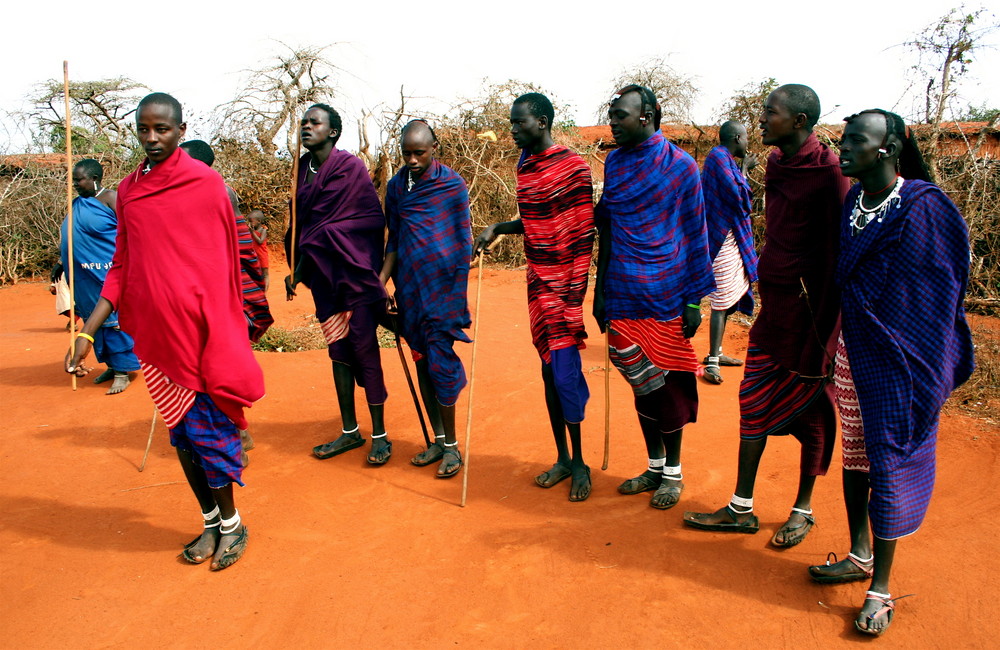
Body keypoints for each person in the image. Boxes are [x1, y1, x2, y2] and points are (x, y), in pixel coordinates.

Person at [66, 93, 265, 570]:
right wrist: (88, 332)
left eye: (162, 129)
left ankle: (233, 526)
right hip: (155, 339)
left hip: (200, 335)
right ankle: (210, 521)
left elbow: (224, 265)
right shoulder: (130, 190)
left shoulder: (206, 183)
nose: (152, 138)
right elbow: (122, 265)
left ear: (180, 129)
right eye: (144, 129)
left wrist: (223, 328)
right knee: (182, 436)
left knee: (208, 436)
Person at [807, 109, 974, 636]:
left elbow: (938, 293)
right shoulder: (856, 202)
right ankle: (858, 555)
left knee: (889, 464)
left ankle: (881, 587)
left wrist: (917, 356)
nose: (844, 148)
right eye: (844, 139)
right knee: (855, 458)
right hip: (856, 357)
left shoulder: (924, 208)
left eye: (856, 141)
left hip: (902, 364)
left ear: (888, 147)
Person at [684, 84, 850, 545]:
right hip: (775, 309)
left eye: (769, 112)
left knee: (815, 416)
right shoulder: (777, 164)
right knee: (752, 400)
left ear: (798, 121)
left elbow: (839, 254)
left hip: (812, 320)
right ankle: (741, 507)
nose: (760, 119)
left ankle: (803, 507)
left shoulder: (829, 172)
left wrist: (829, 331)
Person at [592, 85, 714, 510]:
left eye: (620, 115)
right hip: (623, 289)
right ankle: (654, 464)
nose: (613, 122)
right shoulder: (616, 163)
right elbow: (606, 226)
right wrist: (600, 288)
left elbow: (696, 233)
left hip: (668, 291)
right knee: (639, 379)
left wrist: (695, 302)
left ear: (647, 116)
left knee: (668, 383)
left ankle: (673, 472)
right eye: (611, 114)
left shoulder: (681, 167)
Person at [474, 92, 595, 501]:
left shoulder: (573, 167)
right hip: (538, 281)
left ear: (541, 122)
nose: (512, 130)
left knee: (565, 375)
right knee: (548, 372)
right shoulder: (524, 166)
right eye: (511, 123)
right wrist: (498, 228)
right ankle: (562, 457)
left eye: (518, 123)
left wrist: (575, 292)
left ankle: (581, 463)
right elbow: (533, 221)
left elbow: (584, 231)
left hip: (566, 284)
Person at [286, 103, 392, 465]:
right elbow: (300, 224)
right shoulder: (300, 169)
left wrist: (321, 238)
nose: (306, 126)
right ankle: (350, 431)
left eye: (314, 122)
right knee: (337, 347)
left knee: (363, 345)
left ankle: (380, 435)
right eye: (304, 121)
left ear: (332, 131)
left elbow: (367, 218)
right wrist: (296, 268)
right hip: (323, 275)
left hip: (354, 271)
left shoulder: (350, 167)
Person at [381, 120, 472, 478]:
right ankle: (437, 439)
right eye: (406, 153)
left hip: (443, 292)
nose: (413, 160)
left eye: (419, 152)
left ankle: (452, 447)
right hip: (410, 290)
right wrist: (381, 282)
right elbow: (395, 242)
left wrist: (453, 288)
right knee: (421, 361)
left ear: (435, 146)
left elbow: (462, 242)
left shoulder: (452, 185)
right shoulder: (396, 187)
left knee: (439, 363)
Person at [180, 140, 271, 462]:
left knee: (219, 369)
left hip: (225, 296)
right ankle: (238, 431)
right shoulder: (181, 195)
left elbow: (237, 246)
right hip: (197, 294)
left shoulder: (220, 192)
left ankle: (234, 436)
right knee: (202, 368)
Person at [56, 158, 140, 395]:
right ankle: (113, 367)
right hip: (83, 274)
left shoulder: (111, 199)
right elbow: (72, 237)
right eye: (73, 180)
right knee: (94, 321)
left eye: (79, 179)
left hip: (107, 272)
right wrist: (61, 262)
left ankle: (124, 371)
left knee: (113, 320)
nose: (75, 184)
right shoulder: (77, 204)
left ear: (94, 178)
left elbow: (130, 234)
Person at [179, 140, 273, 345]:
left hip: (218, 276)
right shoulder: (177, 192)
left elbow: (240, 241)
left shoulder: (221, 191)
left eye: (181, 160)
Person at [700, 121, 758, 385]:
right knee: (721, 301)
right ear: (737, 137)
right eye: (746, 138)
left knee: (730, 295)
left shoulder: (724, 160)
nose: (748, 143)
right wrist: (745, 170)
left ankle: (718, 352)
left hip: (730, 237)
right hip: (720, 238)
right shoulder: (718, 159)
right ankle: (712, 360)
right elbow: (737, 198)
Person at [248, 210, 270, 292]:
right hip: (254, 255)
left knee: (265, 274)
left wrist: (252, 232)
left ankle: (264, 291)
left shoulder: (263, 230)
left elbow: (260, 241)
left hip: (262, 255)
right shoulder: (251, 231)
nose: (250, 224)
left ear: (259, 221)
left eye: (251, 222)